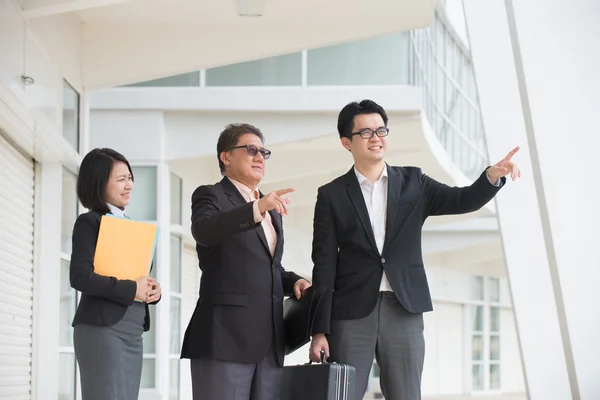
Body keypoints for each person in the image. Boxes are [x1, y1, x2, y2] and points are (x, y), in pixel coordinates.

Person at [308, 100, 521, 400]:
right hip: (350, 313)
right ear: (347, 142)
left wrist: (492, 177)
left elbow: (462, 200)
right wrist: (319, 329)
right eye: (366, 132)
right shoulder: (330, 195)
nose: (376, 137)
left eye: (381, 130)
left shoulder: (413, 182)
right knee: (342, 396)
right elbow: (324, 264)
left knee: (406, 395)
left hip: (403, 307)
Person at [181, 123, 311, 400]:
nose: (259, 157)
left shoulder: (271, 209)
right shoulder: (210, 195)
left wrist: (295, 281)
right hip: (225, 339)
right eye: (251, 150)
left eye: (264, 152)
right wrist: (256, 209)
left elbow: (269, 267)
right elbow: (205, 231)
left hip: (270, 342)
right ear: (225, 157)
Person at [70, 148, 162, 400]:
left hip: (132, 330)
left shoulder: (131, 225)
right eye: (121, 179)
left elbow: (134, 276)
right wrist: (133, 288)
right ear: (99, 183)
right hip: (102, 329)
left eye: (130, 178)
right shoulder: (90, 222)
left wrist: (152, 289)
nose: (129, 185)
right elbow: (79, 276)